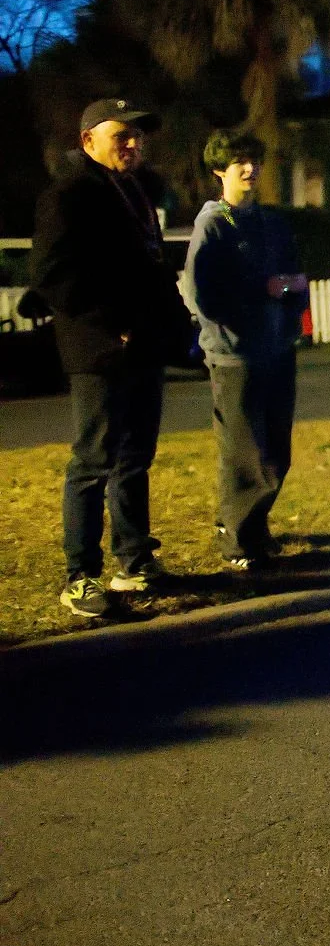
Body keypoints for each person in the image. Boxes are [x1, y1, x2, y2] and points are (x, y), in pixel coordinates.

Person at [29, 99, 192, 616]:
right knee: (93, 460)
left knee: (134, 457)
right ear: (88, 141)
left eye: (137, 136)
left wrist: (173, 325)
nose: (132, 143)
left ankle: (135, 559)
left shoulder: (137, 191)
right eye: (120, 135)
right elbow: (53, 275)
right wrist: (112, 327)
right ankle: (80, 575)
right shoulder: (69, 196)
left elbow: (151, 266)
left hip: (143, 346)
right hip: (100, 351)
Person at [182, 131, 307, 570]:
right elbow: (200, 294)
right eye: (238, 162)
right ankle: (236, 539)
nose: (249, 169)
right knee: (242, 451)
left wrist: (290, 294)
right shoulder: (213, 224)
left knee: (276, 450)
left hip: (277, 349)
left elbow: (296, 278)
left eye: (253, 160)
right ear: (220, 169)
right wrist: (260, 290)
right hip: (235, 356)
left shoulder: (271, 223)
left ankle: (256, 527)